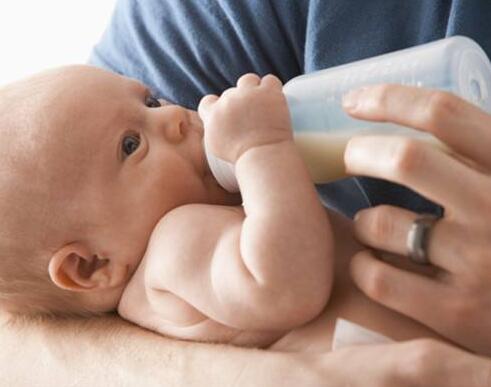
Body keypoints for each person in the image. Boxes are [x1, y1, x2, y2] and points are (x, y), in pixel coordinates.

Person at [3, 0, 491, 385]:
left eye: (149, 100)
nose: (173, 115)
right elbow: (283, 285)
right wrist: (262, 147)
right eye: (131, 145)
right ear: (91, 266)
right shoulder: (174, 246)